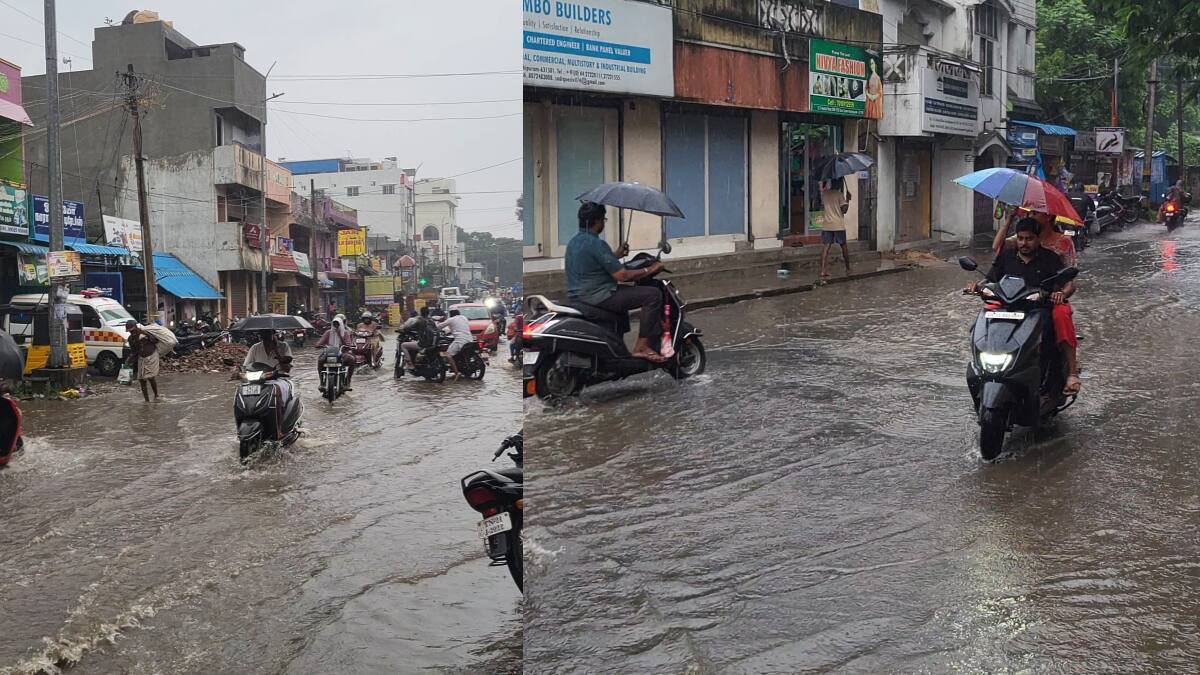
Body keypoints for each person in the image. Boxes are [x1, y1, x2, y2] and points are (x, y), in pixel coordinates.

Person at [972, 217, 1081, 395]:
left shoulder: (1050, 258)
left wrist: (1061, 294)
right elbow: (990, 279)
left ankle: (1071, 373)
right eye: (1021, 238)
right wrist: (977, 287)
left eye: (1029, 238)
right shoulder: (1006, 256)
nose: (1024, 243)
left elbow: (1069, 283)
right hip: (1008, 307)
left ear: (1038, 239)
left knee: (1053, 328)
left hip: (1038, 309)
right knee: (978, 326)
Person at [565, 201, 666, 362]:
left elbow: (594, 263)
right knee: (652, 295)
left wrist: (616, 255)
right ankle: (641, 347)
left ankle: (617, 347)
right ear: (597, 221)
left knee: (623, 301)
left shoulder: (574, 242)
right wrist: (650, 269)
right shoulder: (596, 243)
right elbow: (622, 276)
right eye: (603, 220)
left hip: (579, 296)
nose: (603, 223)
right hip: (599, 295)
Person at [819, 176, 852, 278]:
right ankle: (848, 268)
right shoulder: (839, 195)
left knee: (826, 247)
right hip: (838, 225)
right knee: (844, 247)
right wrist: (848, 199)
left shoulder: (824, 194)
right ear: (838, 184)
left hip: (827, 225)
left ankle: (823, 270)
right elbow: (844, 210)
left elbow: (822, 206)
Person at [315, 315, 356, 391]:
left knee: (351, 359)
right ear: (332, 324)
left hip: (342, 353)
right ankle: (321, 382)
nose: (336, 326)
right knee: (320, 360)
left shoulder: (345, 333)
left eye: (338, 324)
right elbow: (320, 342)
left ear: (341, 324)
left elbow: (348, 345)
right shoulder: (328, 332)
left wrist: (340, 334)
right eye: (335, 324)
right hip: (329, 353)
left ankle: (348, 382)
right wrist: (319, 345)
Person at [125, 320, 160, 402]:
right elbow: (134, 351)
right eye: (130, 331)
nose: (131, 332)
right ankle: (147, 400)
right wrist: (128, 360)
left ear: (136, 328)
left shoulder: (144, 333)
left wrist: (148, 337)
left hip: (151, 356)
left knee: (150, 377)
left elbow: (156, 341)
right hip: (141, 358)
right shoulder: (131, 339)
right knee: (141, 379)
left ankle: (156, 395)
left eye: (132, 330)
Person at [437, 308, 473, 380]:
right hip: (470, 339)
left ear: (451, 314)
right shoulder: (464, 318)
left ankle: (456, 373)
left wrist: (434, 326)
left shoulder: (451, 319)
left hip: (460, 340)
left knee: (448, 354)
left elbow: (439, 326)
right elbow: (457, 326)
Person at [398, 307, 434, 373]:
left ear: (420, 313)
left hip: (424, 343)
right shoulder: (431, 320)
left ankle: (410, 365)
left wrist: (402, 329)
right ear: (428, 313)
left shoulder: (419, 320)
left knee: (403, 345)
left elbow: (407, 327)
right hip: (433, 342)